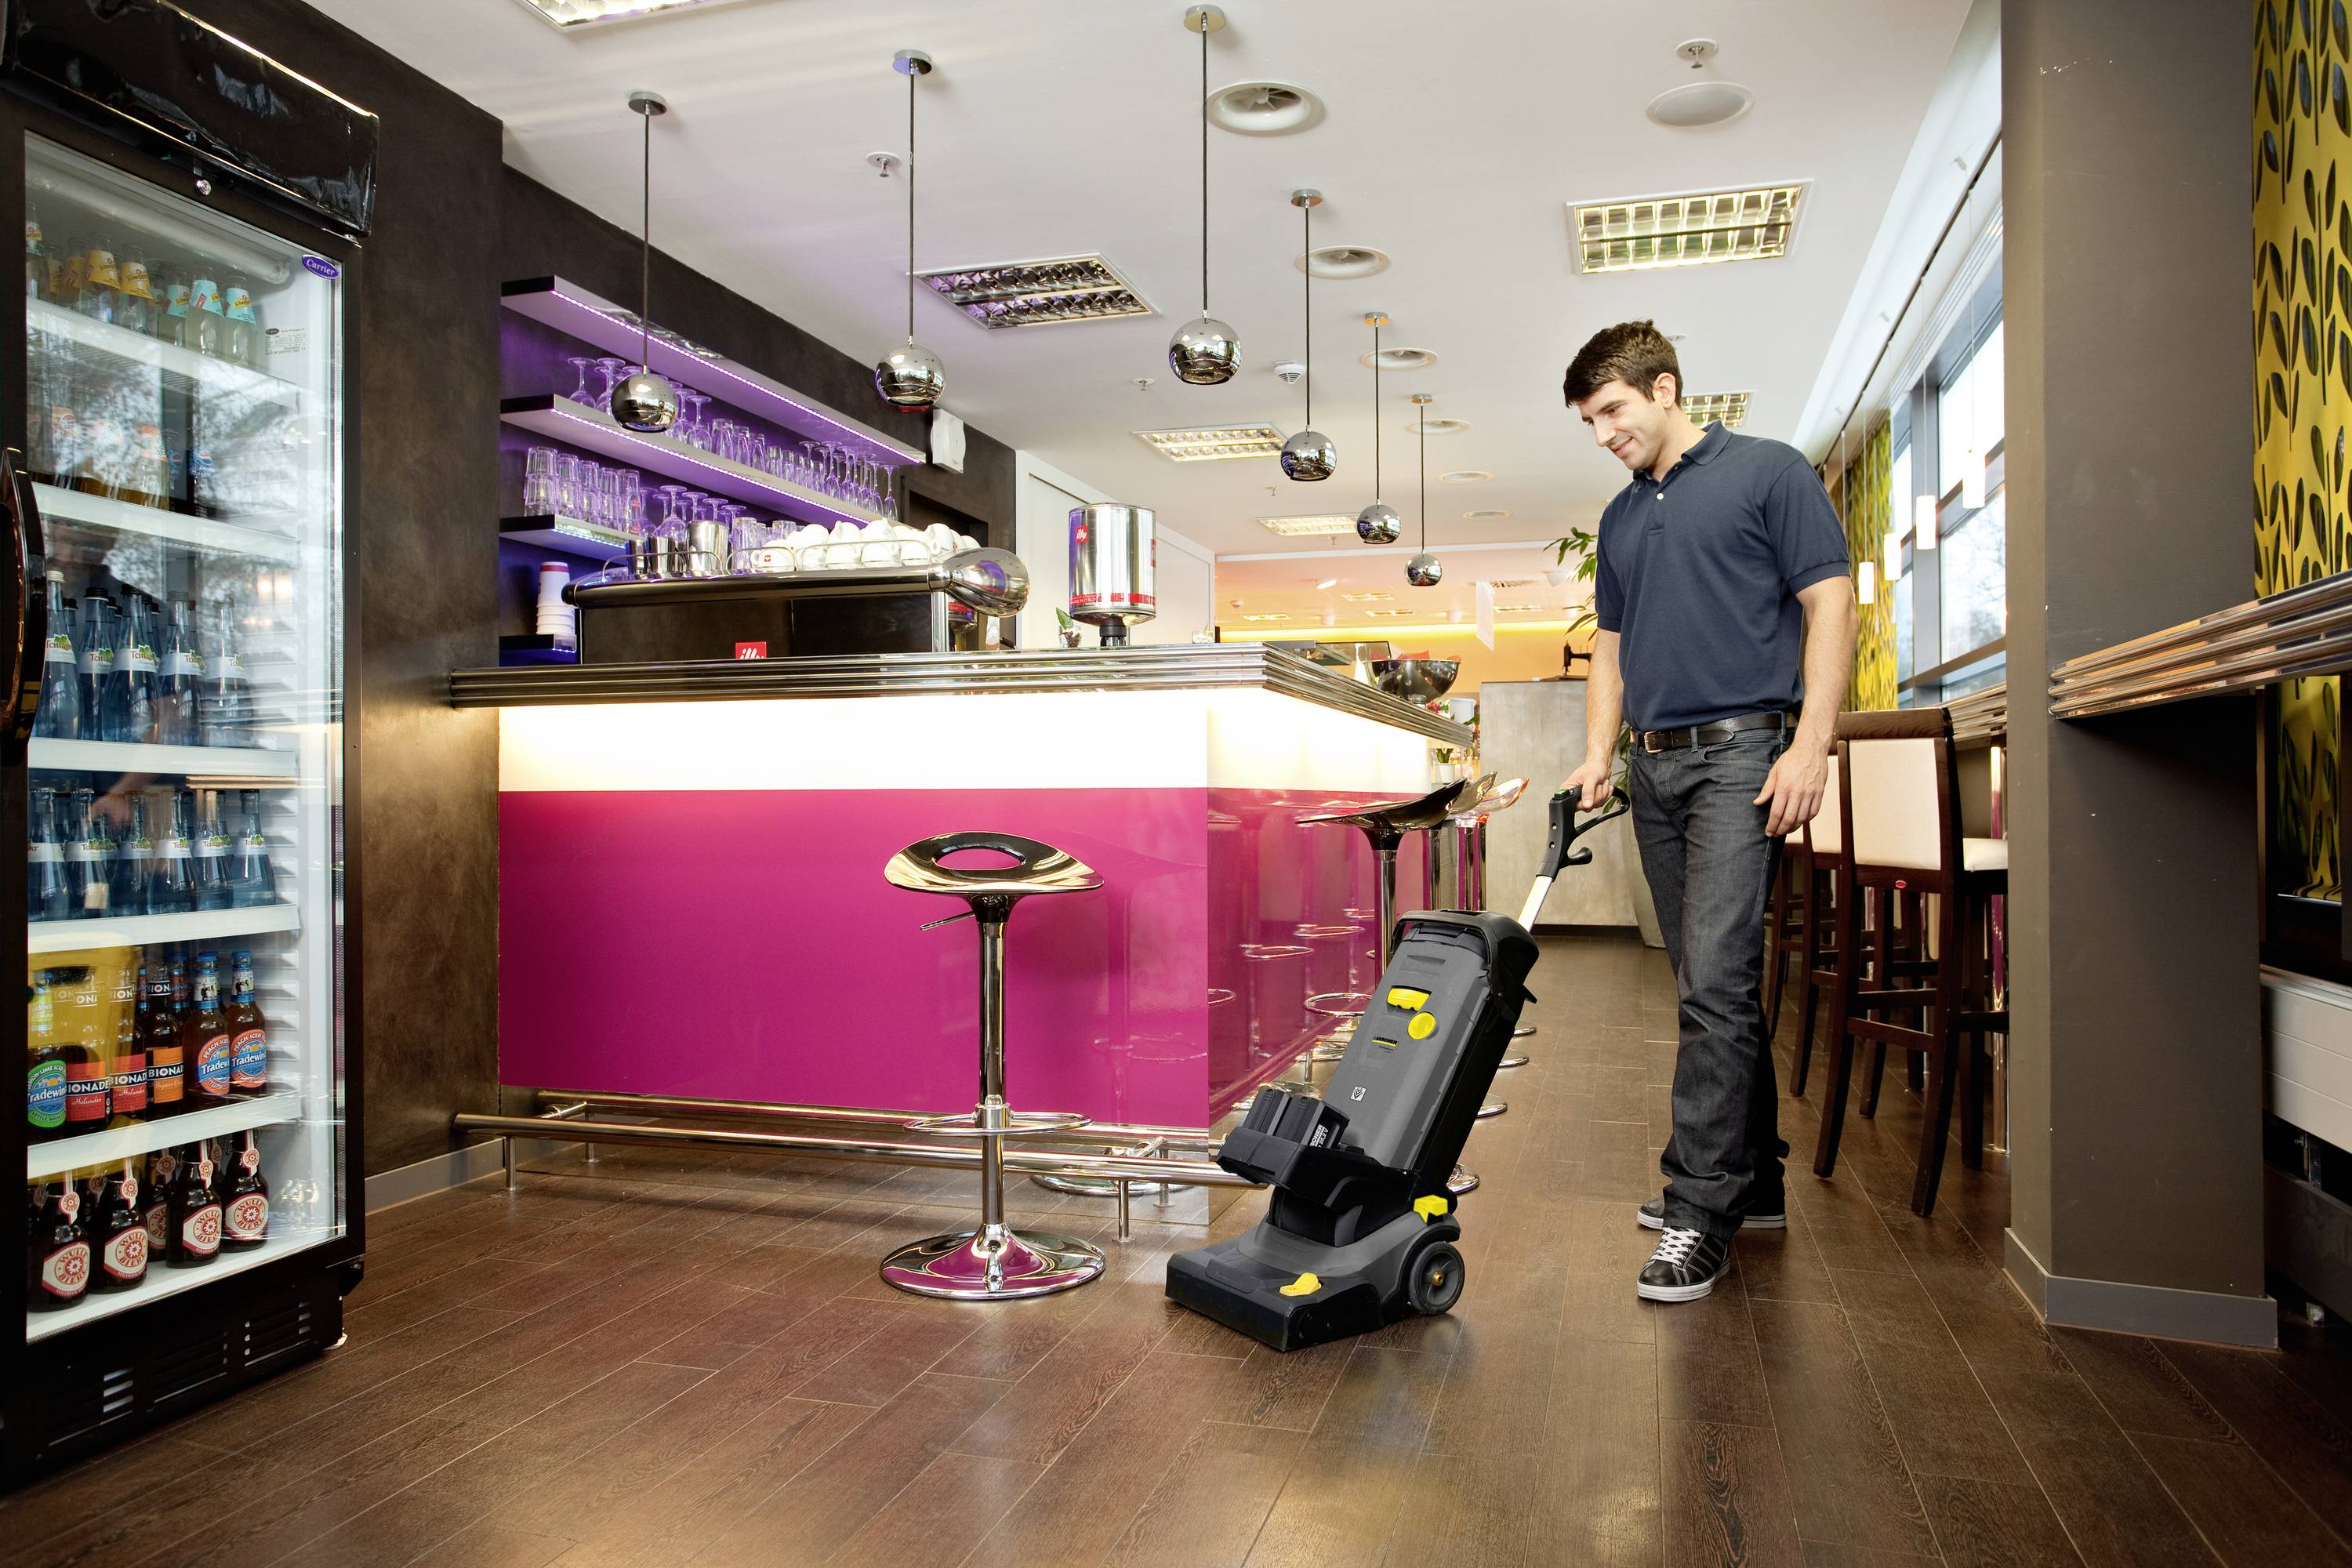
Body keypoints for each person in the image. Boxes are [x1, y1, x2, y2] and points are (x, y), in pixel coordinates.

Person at [1559, 320, 1857, 1303]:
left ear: (1666, 388)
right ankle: (1753, 1180)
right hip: (1656, 766)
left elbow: (1829, 600)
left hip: (1743, 757)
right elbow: (1609, 644)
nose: (1604, 433)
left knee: (1717, 982)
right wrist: (1599, 753)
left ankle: (1698, 1210)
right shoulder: (1618, 517)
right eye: (1590, 420)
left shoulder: (1769, 472)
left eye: (1613, 410)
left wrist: (1810, 741)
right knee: (1704, 977)